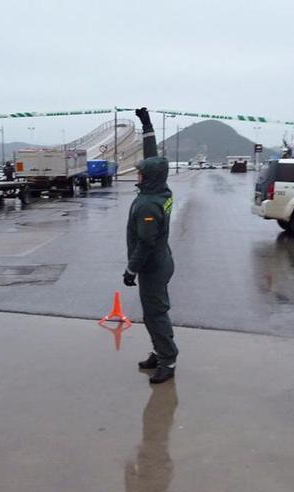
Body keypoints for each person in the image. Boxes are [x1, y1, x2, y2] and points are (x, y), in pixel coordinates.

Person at [123, 107, 178, 384]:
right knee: (153, 313)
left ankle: (168, 360)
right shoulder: (161, 189)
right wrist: (147, 126)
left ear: (150, 177)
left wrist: (131, 269)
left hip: (152, 265)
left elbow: (145, 243)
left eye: (140, 174)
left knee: (155, 314)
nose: (138, 176)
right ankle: (160, 350)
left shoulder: (148, 204)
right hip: (162, 260)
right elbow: (153, 159)